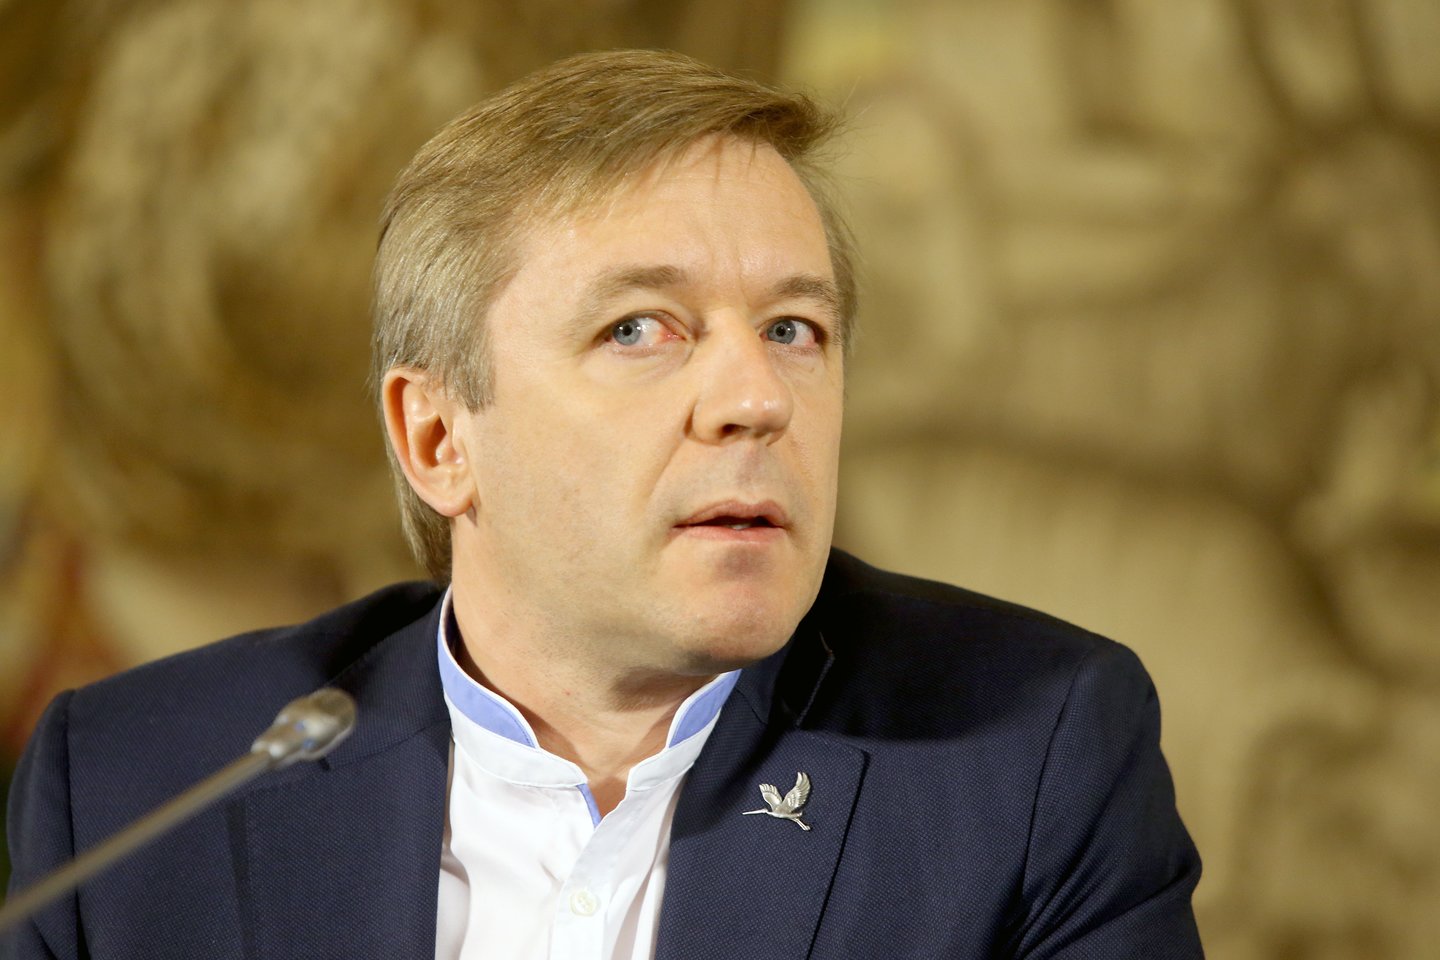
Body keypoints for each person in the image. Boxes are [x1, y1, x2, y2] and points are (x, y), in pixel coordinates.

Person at [4, 50, 1203, 959]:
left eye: (795, 329)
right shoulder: (137, 792)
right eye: (639, 329)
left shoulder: (1027, 759)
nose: (756, 399)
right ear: (438, 438)